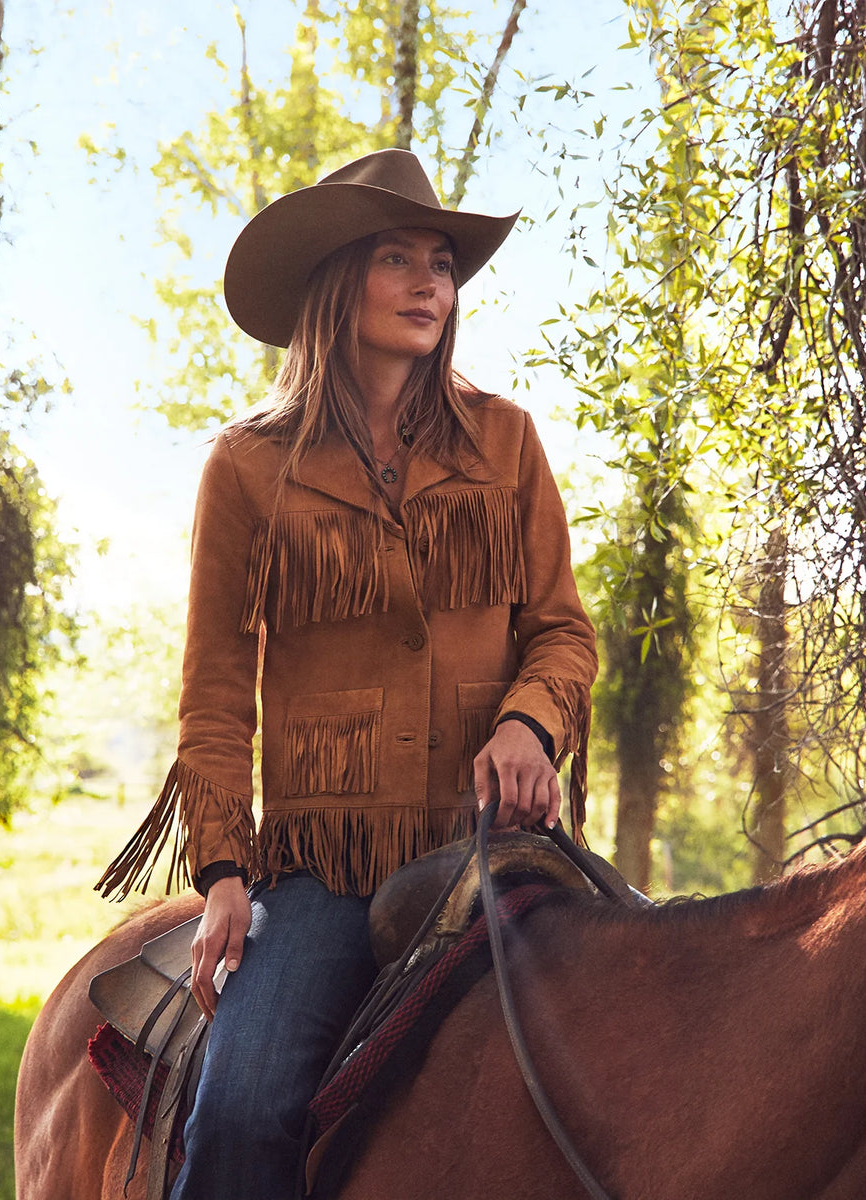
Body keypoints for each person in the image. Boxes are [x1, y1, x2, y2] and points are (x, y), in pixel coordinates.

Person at [97, 148, 598, 1200]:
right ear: (337, 278)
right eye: (398, 258)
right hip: (331, 869)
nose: (430, 284)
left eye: (442, 264)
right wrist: (226, 872)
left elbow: (562, 632)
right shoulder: (248, 467)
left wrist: (528, 726)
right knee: (241, 1106)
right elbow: (217, 692)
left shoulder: (506, 443)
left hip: (492, 847)